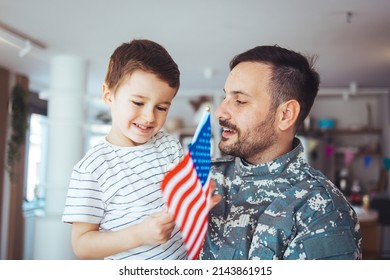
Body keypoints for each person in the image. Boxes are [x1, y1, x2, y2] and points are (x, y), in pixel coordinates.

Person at [200, 45, 362, 260]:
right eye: (226, 97)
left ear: (285, 114)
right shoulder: (202, 176)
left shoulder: (321, 210)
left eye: (239, 100)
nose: (220, 112)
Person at [62, 39, 187, 260]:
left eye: (161, 107)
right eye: (138, 103)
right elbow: (82, 245)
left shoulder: (169, 145)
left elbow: (186, 193)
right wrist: (139, 234)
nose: (149, 117)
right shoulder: (92, 168)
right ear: (109, 95)